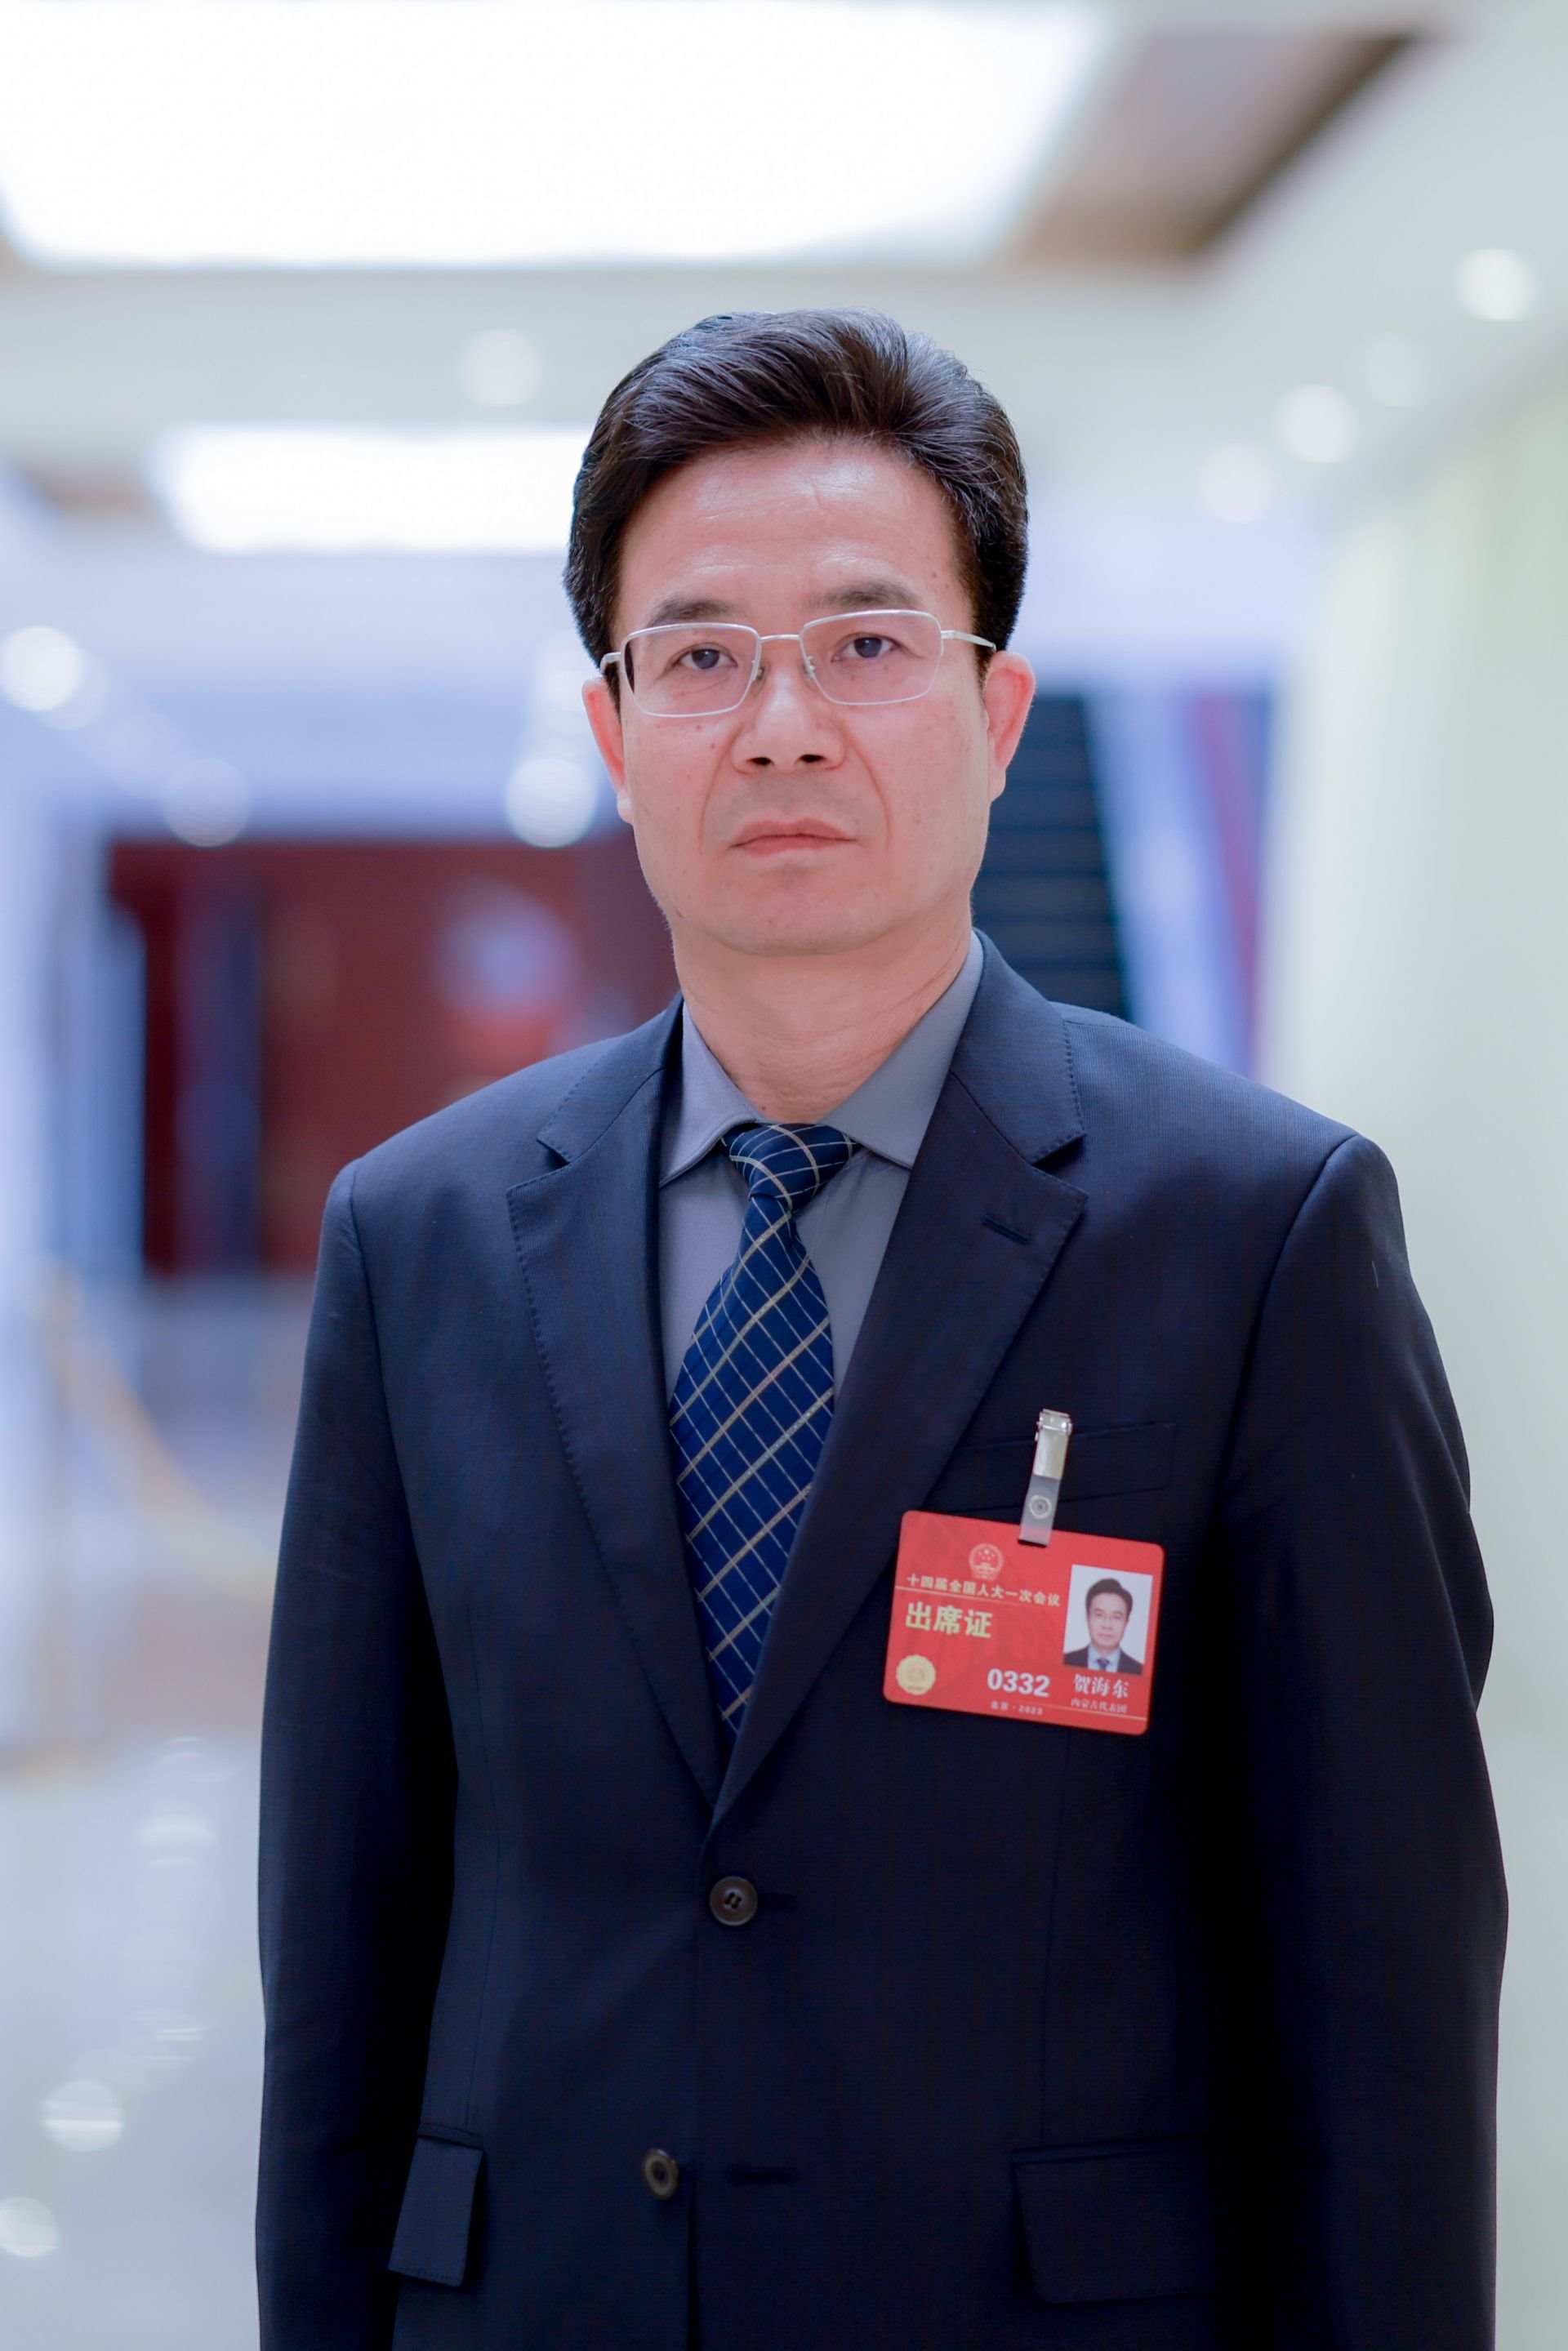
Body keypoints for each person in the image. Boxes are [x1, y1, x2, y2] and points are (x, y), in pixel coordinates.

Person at [256, 308, 1506, 2351]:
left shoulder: (1258, 1234)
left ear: (997, 713)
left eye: (863, 642)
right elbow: (345, 1938)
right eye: (699, 655)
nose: (781, 725)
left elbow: (1382, 1988)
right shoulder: (423, 1238)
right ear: (614, 734)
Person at [1063, 1575, 1144, 1673]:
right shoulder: (1066, 1661)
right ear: (1088, 1617)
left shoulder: (1139, 1671)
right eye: (1099, 1615)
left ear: (1126, 1622)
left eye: (1116, 1617)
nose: (1107, 1625)